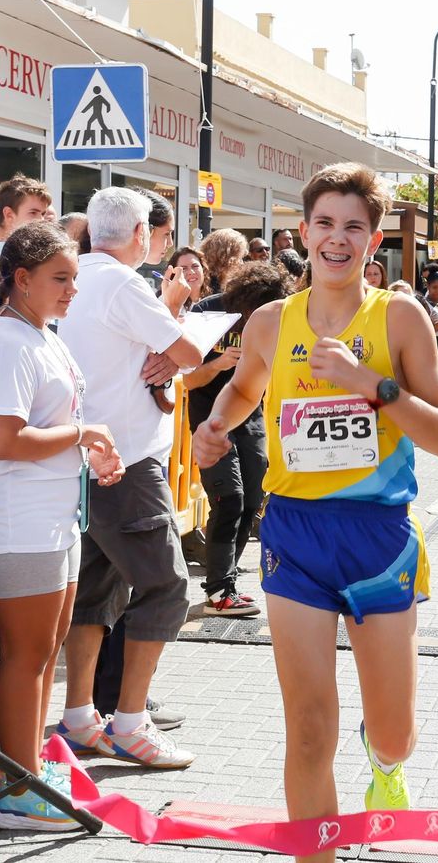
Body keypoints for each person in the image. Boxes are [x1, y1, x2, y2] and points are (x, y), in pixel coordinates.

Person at [192, 163, 438, 856]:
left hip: (378, 538)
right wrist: (215, 426)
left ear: (374, 240)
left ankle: (386, 761)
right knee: (309, 727)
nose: (337, 239)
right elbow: (245, 390)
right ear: (303, 232)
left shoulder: (399, 318)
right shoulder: (268, 323)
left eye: (353, 227)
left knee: (396, 729)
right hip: (295, 534)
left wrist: (370, 385)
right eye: (325, 224)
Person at [0, 222, 124, 830]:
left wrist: (89, 451)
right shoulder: (10, 342)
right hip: (18, 521)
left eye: (75, 279)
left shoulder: (37, 334)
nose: (71, 291)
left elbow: (51, 423)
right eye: (61, 279)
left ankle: (30, 768)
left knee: (41, 654)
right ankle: (18, 789)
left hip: (51, 517)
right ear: (22, 279)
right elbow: (4, 440)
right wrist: (85, 437)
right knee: (27, 655)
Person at [56, 187, 206, 769]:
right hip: (125, 462)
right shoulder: (122, 283)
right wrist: (172, 348)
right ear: (142, 234)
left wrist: (167, 350)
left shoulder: (78, 278)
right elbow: (190, 351)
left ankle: (78, 716)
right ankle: (130, 721)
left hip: (87, 458)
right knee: (166, 586)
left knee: (94, 591)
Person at [184, 260, 293, 616]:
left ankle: (226, 584)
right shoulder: (208, 312)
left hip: (253, 417)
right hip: (211, 418)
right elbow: (188, 380)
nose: (256, 316)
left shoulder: (278, 317)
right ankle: (217, 590)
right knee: (228, 498)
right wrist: (218, 364)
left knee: (251, 501)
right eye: (251, 309)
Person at [0, 174, 54, 259]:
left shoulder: (38, 255)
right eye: (33, 213)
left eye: (42, 214)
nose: (41, 220)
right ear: (9, 215)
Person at [200, 228, 250, 293]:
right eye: (239, 258)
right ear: (227, 257)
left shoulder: (205, 279)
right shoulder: (206, 285)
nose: (241, 263)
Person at [168, 246, 209, 310]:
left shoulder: (215, 301)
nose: (191, 272)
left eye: (195, 266)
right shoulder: (166, 301)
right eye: (184, 268)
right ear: (174, 274)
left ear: (203, 269)